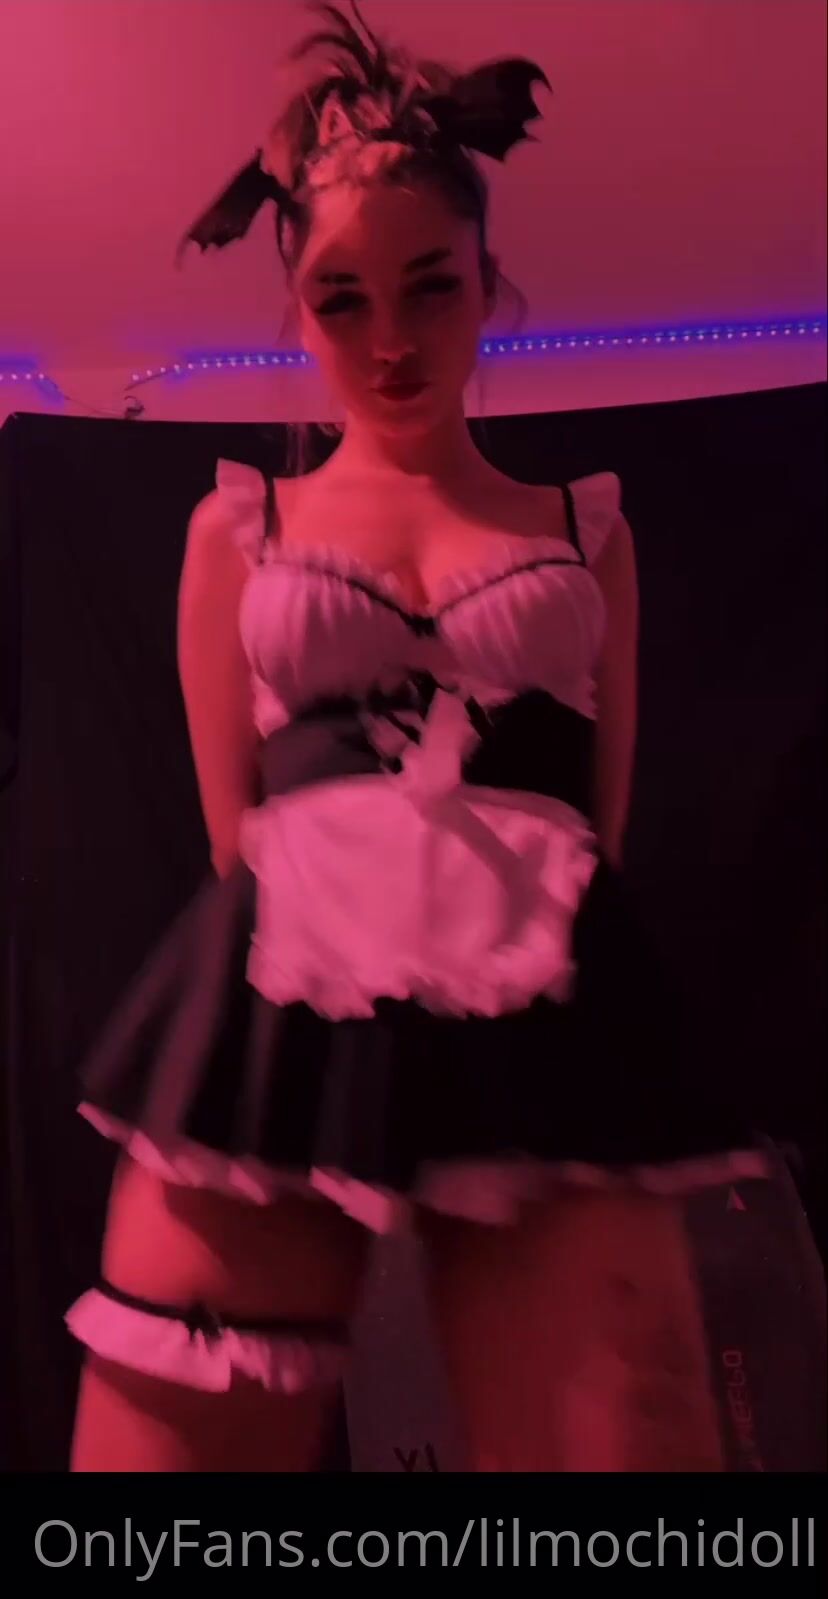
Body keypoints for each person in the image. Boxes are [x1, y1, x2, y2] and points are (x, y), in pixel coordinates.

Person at [67, 0, 770, 1472]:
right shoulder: (238, 530)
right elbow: (231, 838)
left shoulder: (587, 530)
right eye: (341, 301)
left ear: (487, 283)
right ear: (298, 305)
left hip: (546, 997)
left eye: (430, 287)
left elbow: (600, 827)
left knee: (626, 1453)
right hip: (288, 986)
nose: (389, 341)